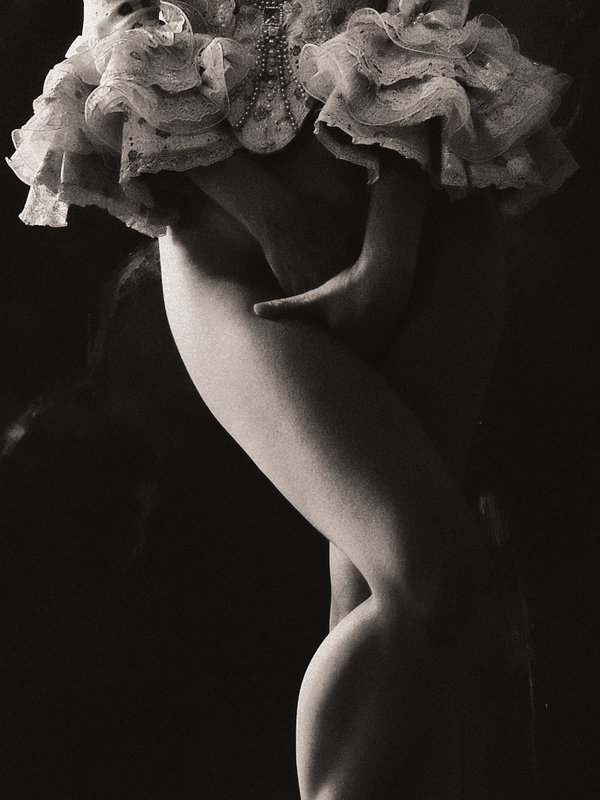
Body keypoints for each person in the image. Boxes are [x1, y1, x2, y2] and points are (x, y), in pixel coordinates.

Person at [7, 1, 577, 797]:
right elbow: (120, 37)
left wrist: (389, 254)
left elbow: (426, 10)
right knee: (435, 574)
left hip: (424, 218)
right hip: (231, 239)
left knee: (402, 628)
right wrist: (276, 222)